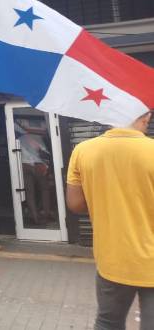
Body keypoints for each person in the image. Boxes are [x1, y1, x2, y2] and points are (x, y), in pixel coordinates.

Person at [66, 110, 153, 330]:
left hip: (112, 259)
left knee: (108, 323)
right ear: (146, 117)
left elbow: (75, 204)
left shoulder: (83, 150)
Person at [17, 121, 53, 225]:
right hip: (38, 166)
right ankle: (46, 214)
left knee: (29, 192)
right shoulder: (37, 138)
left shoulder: (19, 139)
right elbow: (44, 154)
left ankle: (35, 217)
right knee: (45, 189)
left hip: (24, 166)